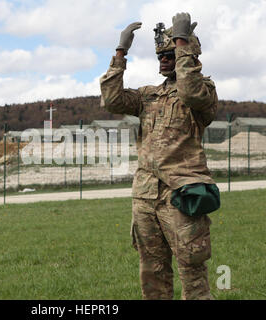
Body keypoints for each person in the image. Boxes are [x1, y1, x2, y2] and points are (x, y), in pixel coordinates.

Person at [100, 12, 218, 300]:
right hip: (145, 195)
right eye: (161, 56)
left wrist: (181, 41)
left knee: (191, 267)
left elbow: (190, 91)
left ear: (185, 53)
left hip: (182, 192)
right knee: (152, 269)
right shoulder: (148, 95)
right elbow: (111, 101)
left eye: (170, 55)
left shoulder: (204, 91)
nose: (164, 61)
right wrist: (120, 52)